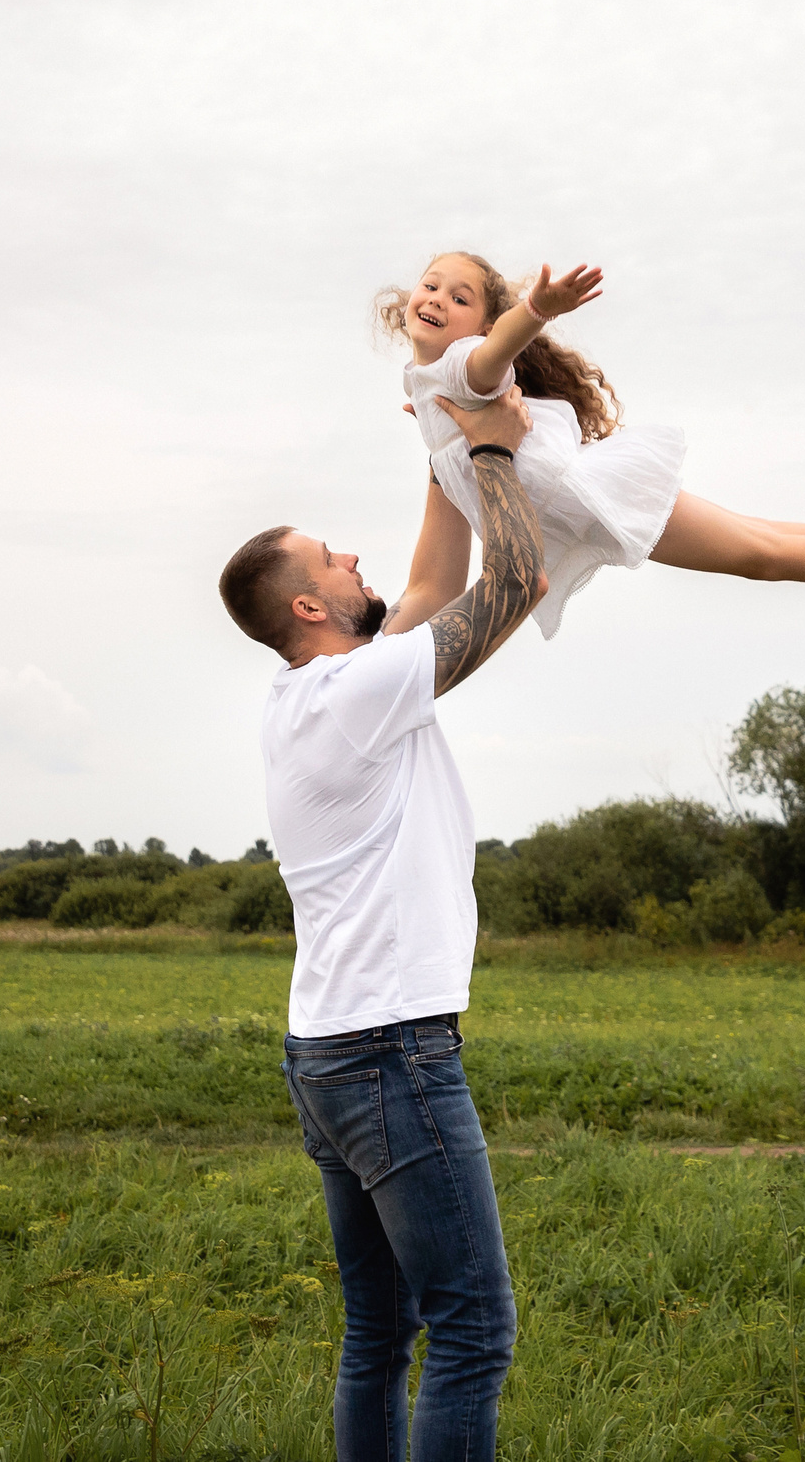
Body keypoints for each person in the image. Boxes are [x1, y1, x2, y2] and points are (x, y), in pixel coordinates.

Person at [217, 384, 545, 1461]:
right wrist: (493, 455)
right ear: (307, 608)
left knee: (380, 1329)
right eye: (330, 559)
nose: (353, 560)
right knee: (473, 1330)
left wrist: (443, 448)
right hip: (391, 1051)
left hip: (329, 1048)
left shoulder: (312, 696)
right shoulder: (357, 694)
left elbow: (428, 583)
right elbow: (509, 585)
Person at [381, 249, 805, 640]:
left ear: (484, 327)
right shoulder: (429, 383)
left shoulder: (466, 364)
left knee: (757, 554)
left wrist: (536, 309)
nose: (436, 299)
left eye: (460, 299)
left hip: (590, 497)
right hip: (581, 498)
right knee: (757, 538)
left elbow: (491, 358)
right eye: (430, 286)